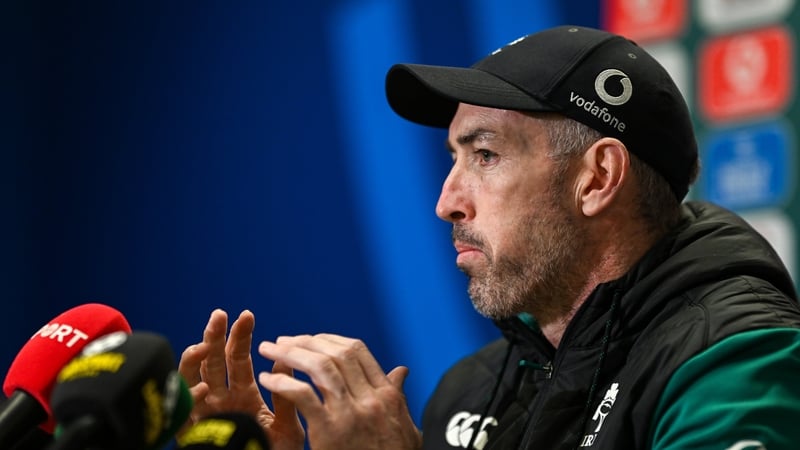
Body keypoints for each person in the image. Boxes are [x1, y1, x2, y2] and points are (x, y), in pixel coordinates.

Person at [178, 25, 800, 450]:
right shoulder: (471, 390)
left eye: (485, 156)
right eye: (453, 156)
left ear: (597, 179)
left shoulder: (734, 362)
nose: (445, 202)